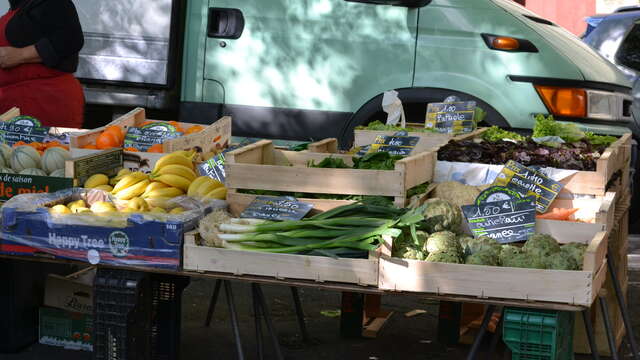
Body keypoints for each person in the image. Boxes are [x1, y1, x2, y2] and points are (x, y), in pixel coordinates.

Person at [0, 0, 84, 128]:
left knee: (42, 148)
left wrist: (20, 55)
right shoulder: (19, 8)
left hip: (43, 102)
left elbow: (70, 38)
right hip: (15, 104)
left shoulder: (52, 3)